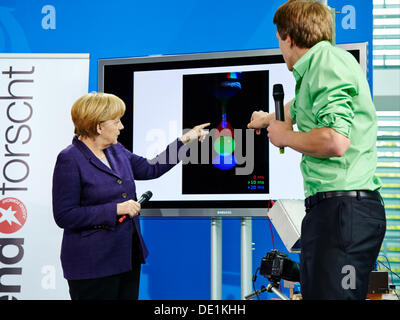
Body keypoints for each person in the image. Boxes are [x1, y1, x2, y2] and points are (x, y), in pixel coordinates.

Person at [248, 0, 386, 300]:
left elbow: (335, 140)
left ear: (290, 38)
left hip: (343, 212)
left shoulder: (325, 64)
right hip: (336, 212)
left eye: (278, 38)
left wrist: (286, 137)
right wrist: (268, 119)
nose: (279, 47)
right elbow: (296, 108)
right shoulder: (317, 70)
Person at [52, 92, 209, 300]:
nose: (121, 127)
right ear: (99, 126)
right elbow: (65, 215)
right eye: (116, 122)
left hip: (126, 258)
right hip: (92, 266)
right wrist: (116, 209)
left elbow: (150, 168)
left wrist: (183, 140)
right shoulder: (69, 159)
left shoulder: (116, 150)